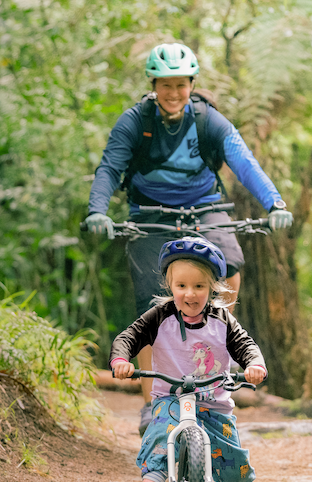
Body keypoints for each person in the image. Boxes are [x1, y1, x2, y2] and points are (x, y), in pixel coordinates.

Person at [85, 42, 292, 436]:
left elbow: (242, 160)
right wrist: (97, 210)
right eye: (165, 85)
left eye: (180, 85)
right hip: (150, 214)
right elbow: (110, 167)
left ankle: (221, 344)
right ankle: (151, 404)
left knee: (228, 266)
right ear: (154, 84)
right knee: (151, 304)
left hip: (204, 207)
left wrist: (275, 203)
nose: (173, 93)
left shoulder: (207, 119)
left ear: (191, 84)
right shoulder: (135, 121)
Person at [110, 236, 266, 482]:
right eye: (182, 286)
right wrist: (121, 359)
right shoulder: (159, 316)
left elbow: (245, 345)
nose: (190, 294)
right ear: (171, 286)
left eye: (199, 287)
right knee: (159, 433)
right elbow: (128, 337)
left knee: (236, 465)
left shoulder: (222, 320)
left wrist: (254, 365)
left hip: (213, 402)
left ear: (212, 288)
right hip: (170, 398)